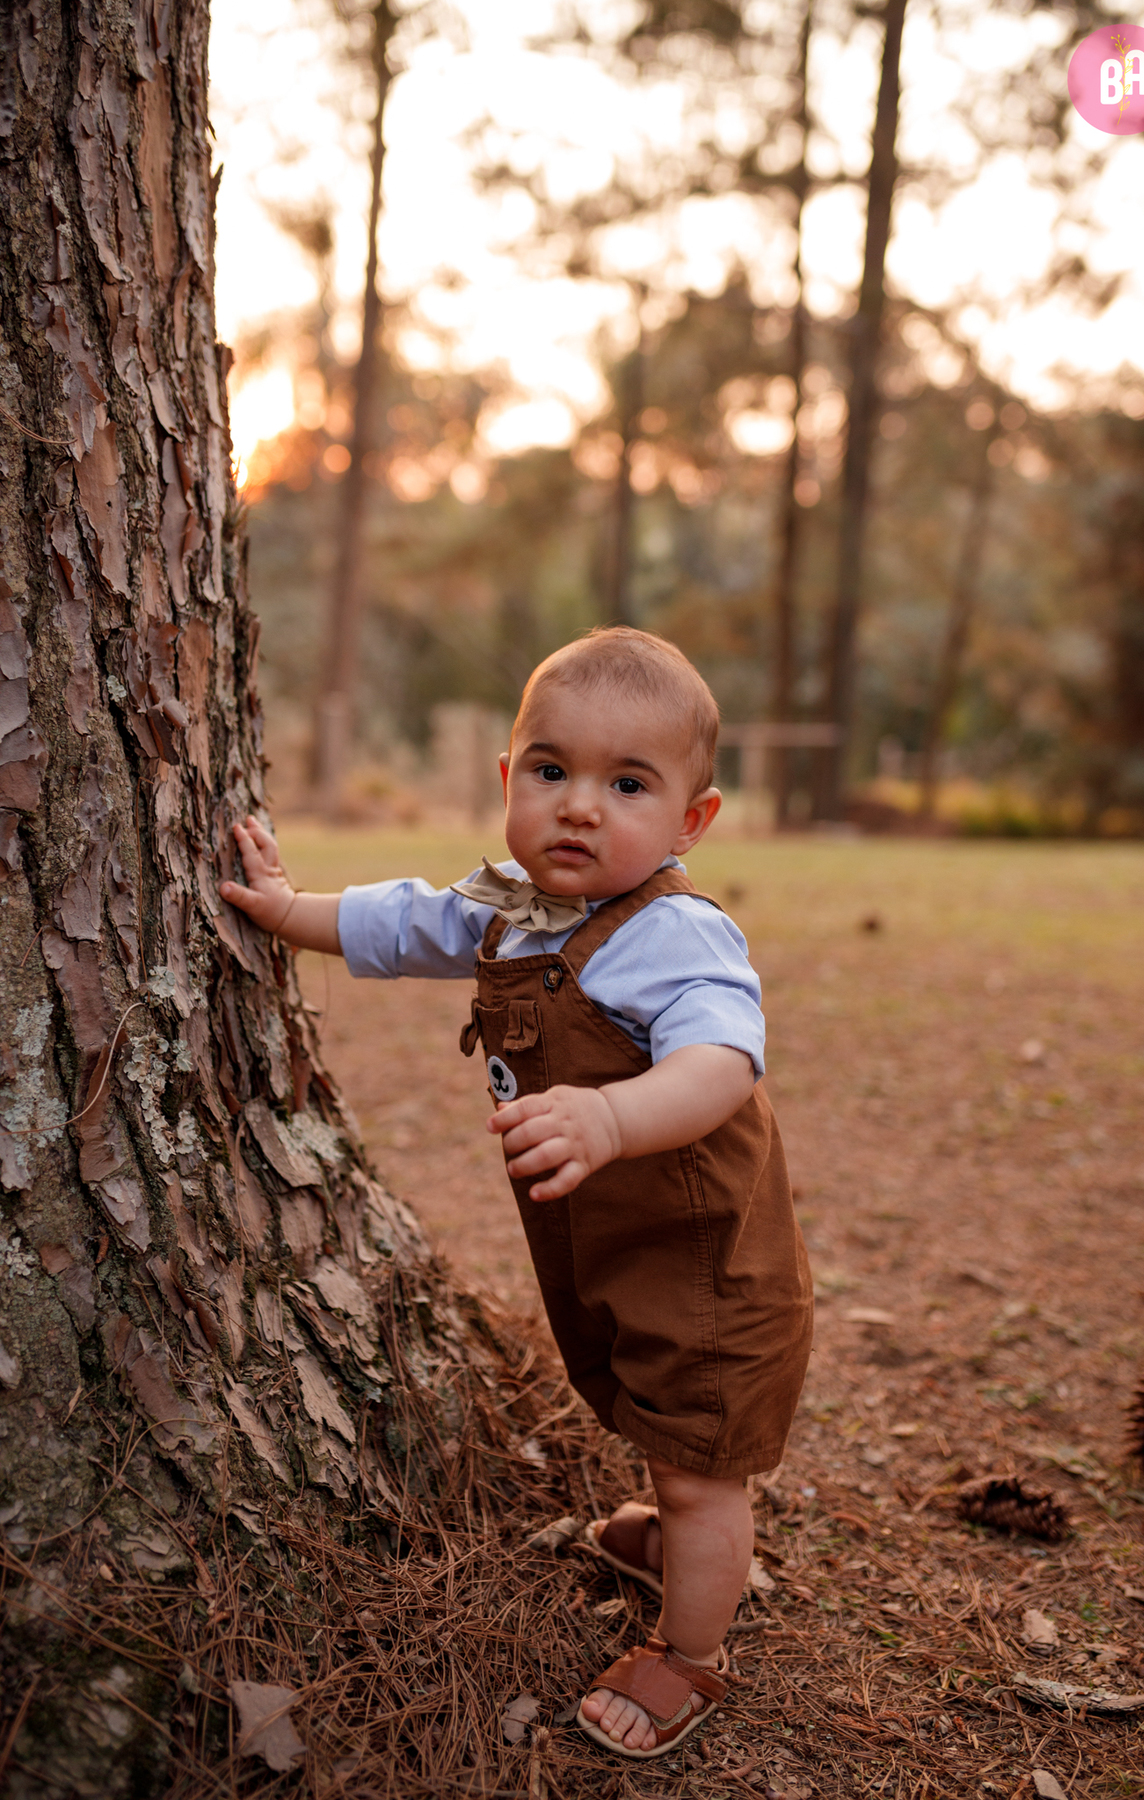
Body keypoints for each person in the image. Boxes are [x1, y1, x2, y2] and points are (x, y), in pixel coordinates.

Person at [220, 626, 813, 1760]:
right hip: (612, 1245)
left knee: (701, 1458)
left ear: (692, 821)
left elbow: (723, 1062)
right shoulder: (513, 905)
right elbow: (403, 924)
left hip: (705, 1262)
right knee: (645, 1397)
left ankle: (690, 1653)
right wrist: (292, 911)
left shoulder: (678, 935)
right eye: (552, 772)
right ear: (509, 782)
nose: (580, 807)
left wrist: (611, 1112)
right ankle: (680, 1535)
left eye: (627, 785)